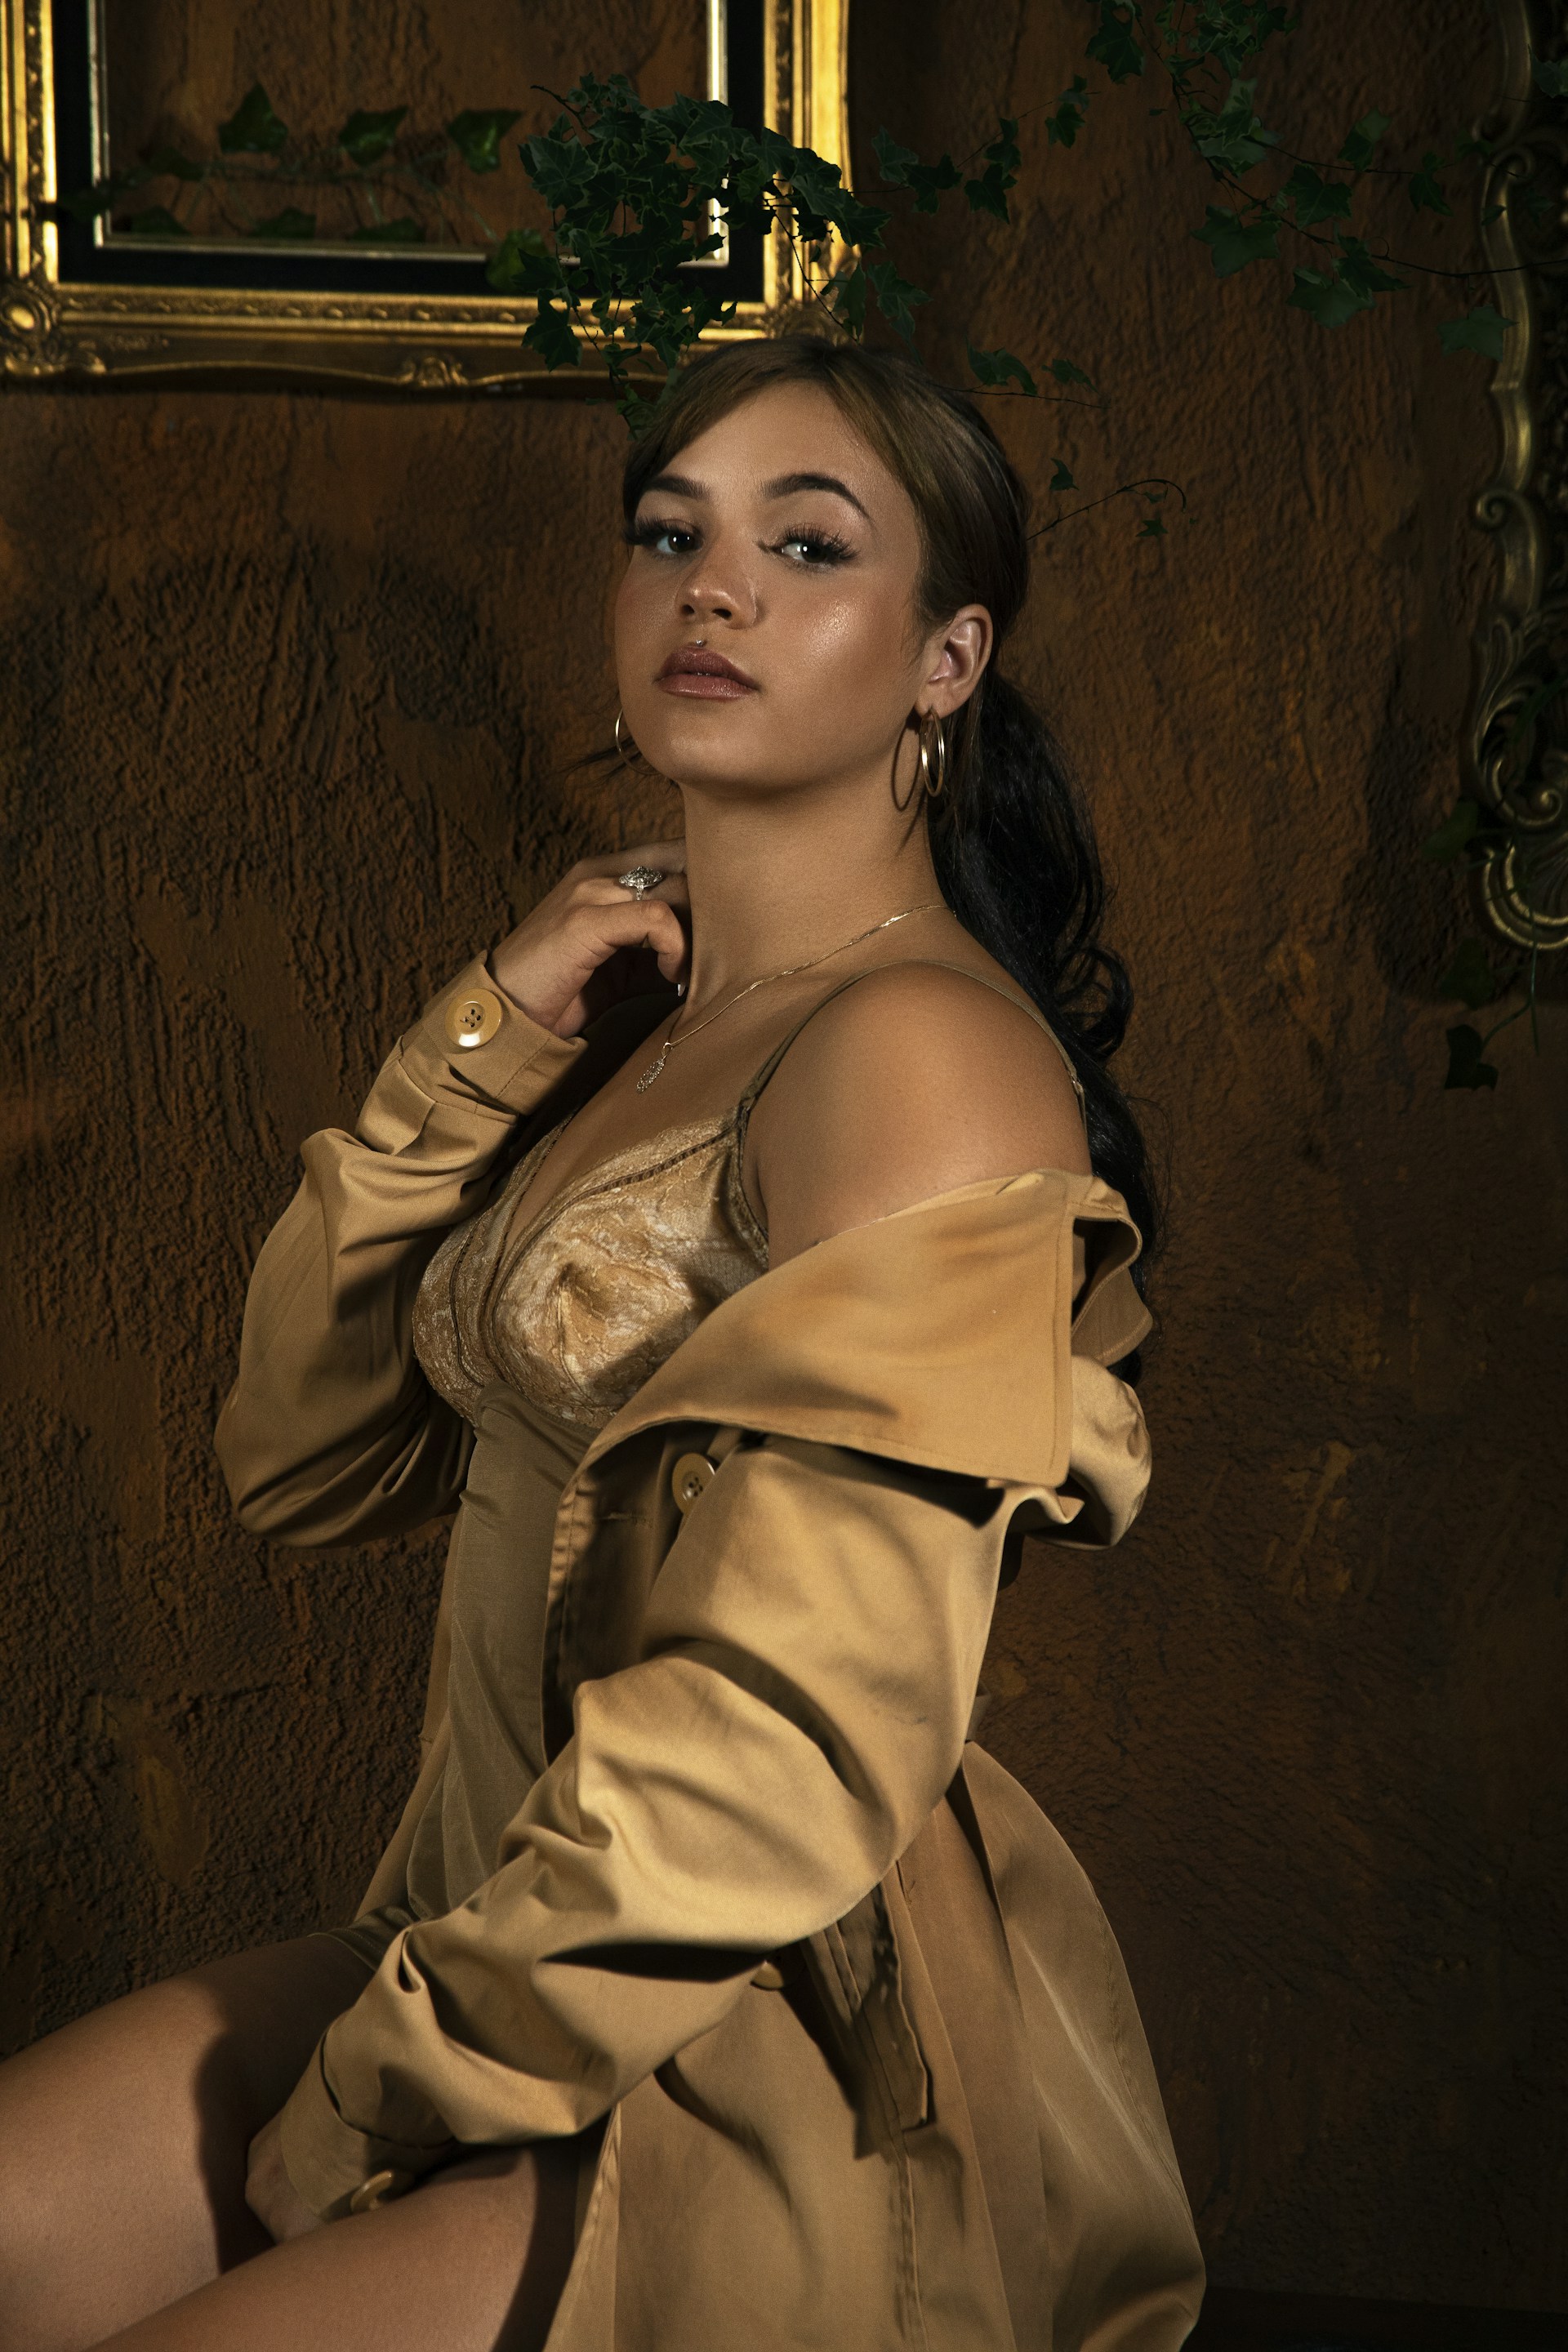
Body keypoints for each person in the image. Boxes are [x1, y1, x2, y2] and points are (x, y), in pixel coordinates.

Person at [0, 335, 1203, 2350]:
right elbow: (302, 1462)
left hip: (743, 2025)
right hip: (475, 1928)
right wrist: (480, 1044)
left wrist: (378, 2109)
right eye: (671, 532)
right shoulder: (639, 1020)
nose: (711, 588)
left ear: (946, 658)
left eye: (807, 546)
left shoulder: (916, 1052)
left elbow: (783, 1745)